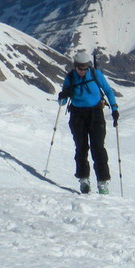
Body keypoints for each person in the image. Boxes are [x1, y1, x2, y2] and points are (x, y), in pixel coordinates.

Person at [57, 50, 119, 194]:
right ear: (75, 66)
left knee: (98, 147)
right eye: (80, 68)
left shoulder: (96, 75)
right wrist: (63, 95)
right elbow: (62, 102)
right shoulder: (70, 78)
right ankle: (83, 180)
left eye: (85, 68)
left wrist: (114, 109)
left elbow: (108, 91)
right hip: (77, 115)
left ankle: (102, 182)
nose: (83, 71)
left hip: (96, 113)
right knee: (81, 147)